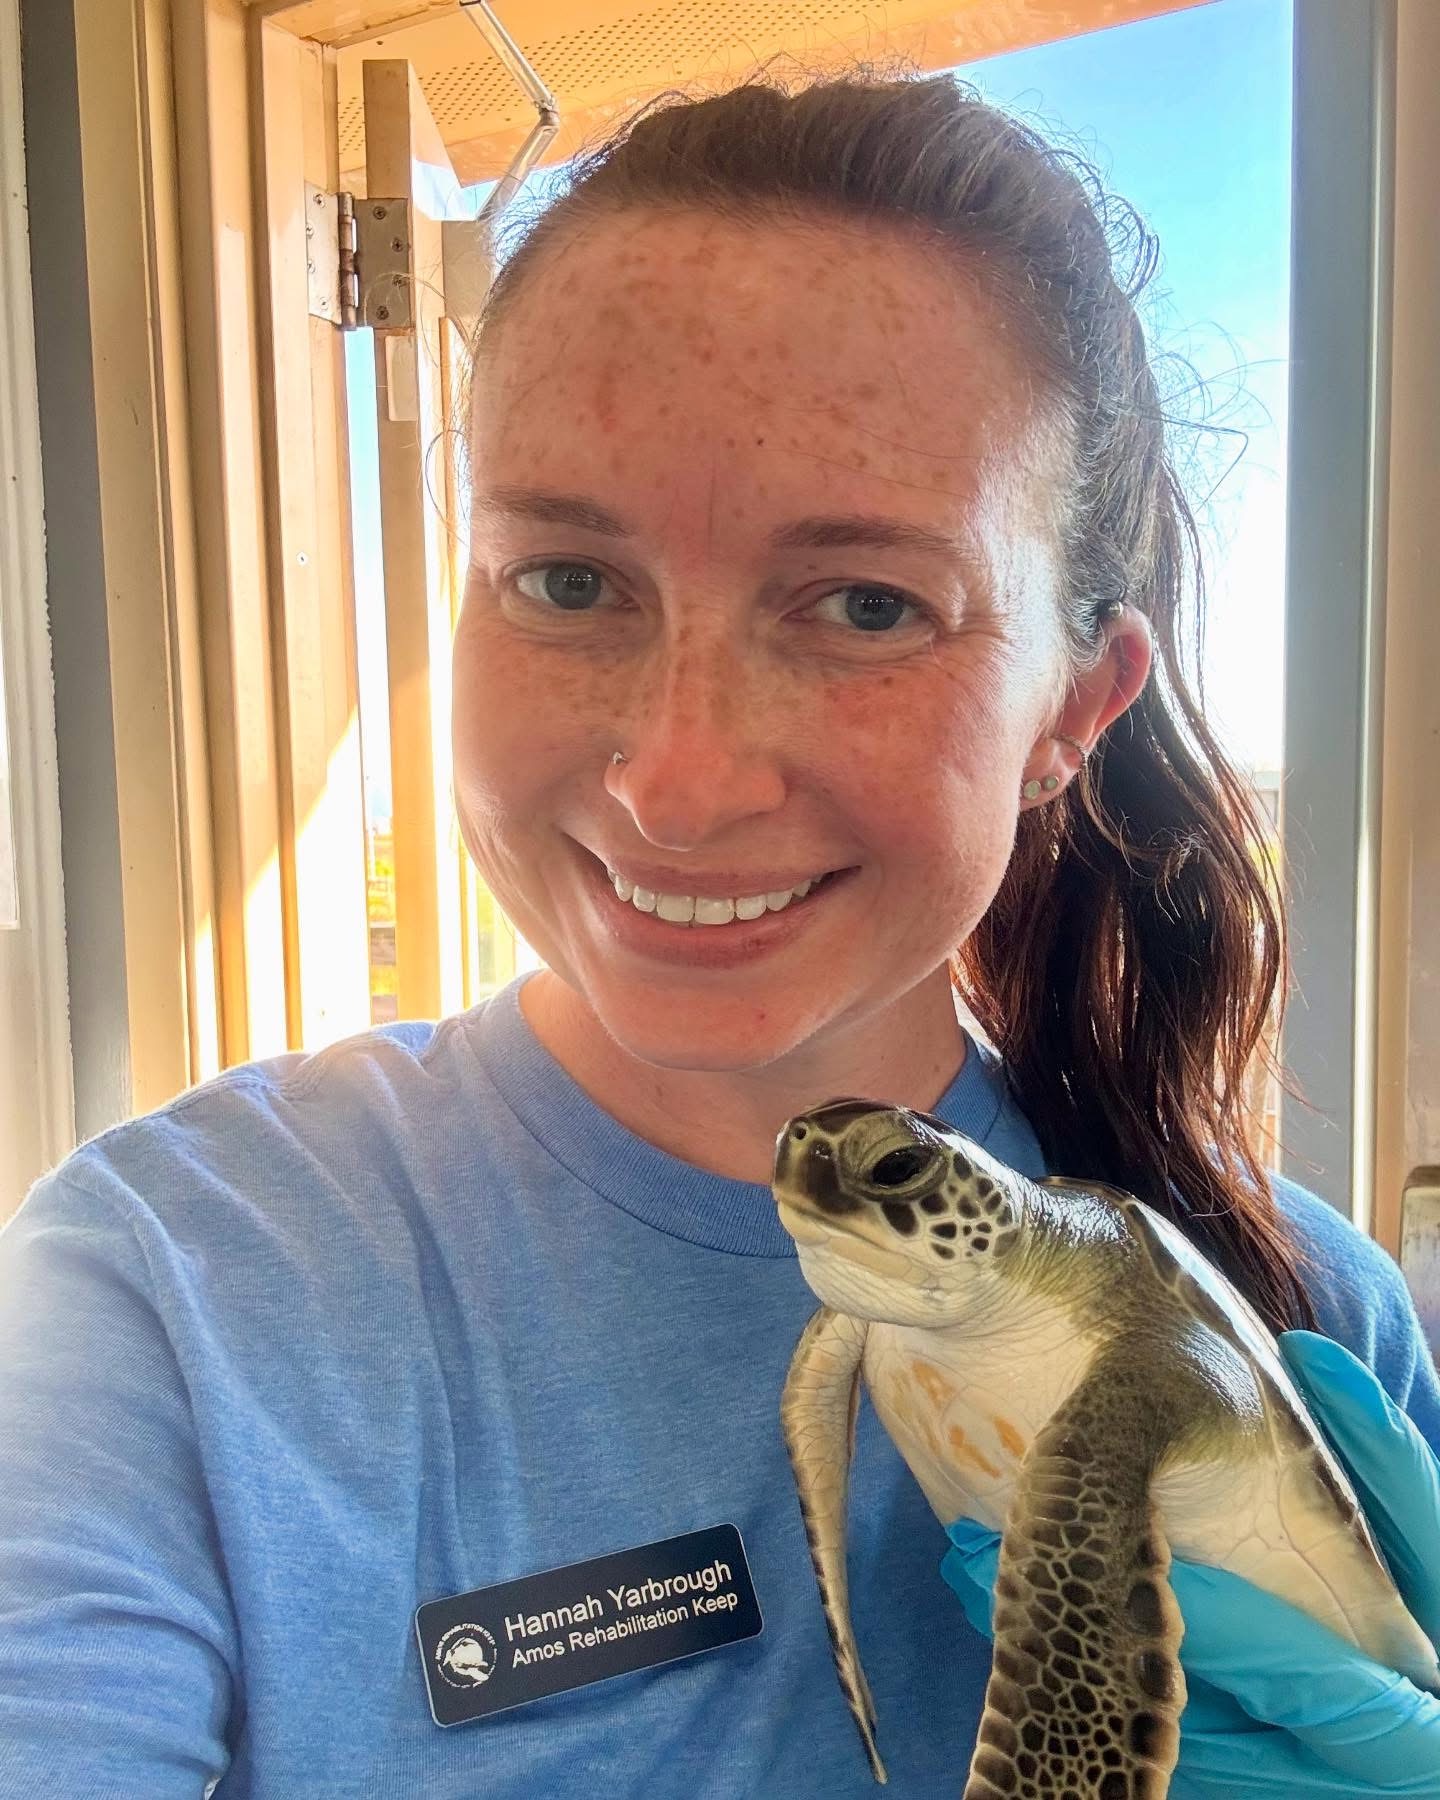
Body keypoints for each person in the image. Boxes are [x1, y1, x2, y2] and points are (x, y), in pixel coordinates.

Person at [1, 68, 1437, 1800]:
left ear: (1075, 706)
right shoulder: (165, 1295)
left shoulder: (1312, 1318)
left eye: (866, 606)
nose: (676, 785)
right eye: (568, 580)